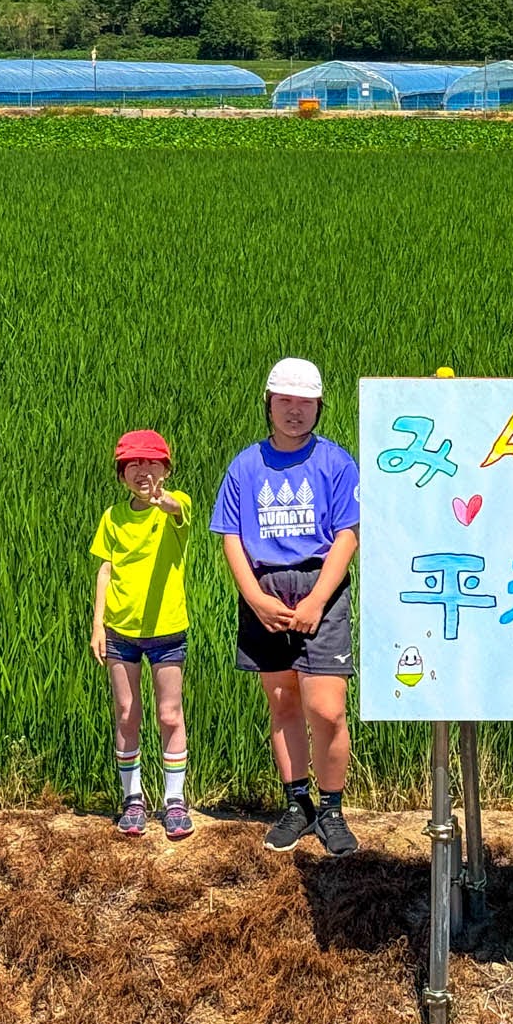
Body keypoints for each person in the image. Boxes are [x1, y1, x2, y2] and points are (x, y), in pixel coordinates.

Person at [212, 358, 362, 856]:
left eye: (304, 403)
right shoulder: (245, 465)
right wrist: (255, 599)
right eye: (285, 401)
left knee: (328, 708)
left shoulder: (336, 463)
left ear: (319, 407)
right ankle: (297, 803)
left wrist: (319, 599)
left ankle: (333, 807)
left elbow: (348, 534)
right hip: (265, 587)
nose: (294, 412)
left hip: (320, 583)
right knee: (283, 703)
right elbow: (230, 536)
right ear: (269, 405)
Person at [89, 429, 193, 840]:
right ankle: (132, 800)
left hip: (167, 629)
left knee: (169, 713)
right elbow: (105, 569)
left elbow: (173, 508)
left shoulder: (175, 505)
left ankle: (174, 801)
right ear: (121, 473)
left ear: (165, 469)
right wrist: (98, 623)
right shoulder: (112, 517)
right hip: (120, 631)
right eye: (133, 463)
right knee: (127, 714)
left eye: (151, 462)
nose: (142, 470)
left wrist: (160, 500)